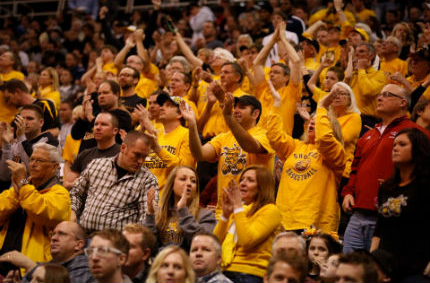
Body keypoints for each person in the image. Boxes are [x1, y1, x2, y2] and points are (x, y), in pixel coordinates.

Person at [341, 85, 430, 253]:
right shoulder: (368, 134)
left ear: (403, 102)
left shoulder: (417, 133)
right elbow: (355, 168)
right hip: (357, 215)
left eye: (387, 95)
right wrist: (348, 192)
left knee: (382, 273)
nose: (380, 98)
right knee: (350, 273)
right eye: (379, 94)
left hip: (394, 217)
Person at [182, 92, 275, 219]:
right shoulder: (223, 137)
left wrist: (228, 117)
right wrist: (192, 125)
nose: (236, 110)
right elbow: (200, 154)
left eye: (242, 107)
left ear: (255, 114)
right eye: (235, 107)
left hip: (253, 212)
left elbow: (249, 146)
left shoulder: (265, 135)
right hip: (223, 212)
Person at [266, 87, 346, 232]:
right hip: (284, 221)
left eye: (318, 122)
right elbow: (274, 136)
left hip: (315, 224)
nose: (312, 124)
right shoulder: (295, 146)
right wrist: (277, 104)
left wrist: (321, 107)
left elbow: (324, 139)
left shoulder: (335, 154)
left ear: (330, 127)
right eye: (311, 122)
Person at [0, 143, 71, 276]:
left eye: (40, 160)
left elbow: (38, 211)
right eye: (32, 159)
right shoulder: (22, 188)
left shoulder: (60, 193)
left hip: (31, 268)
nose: (33, 164)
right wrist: (16, 194)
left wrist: (22, 185)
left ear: (55, 167)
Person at [370, 128, 430, 281]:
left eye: (402, 144)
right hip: (386, 268)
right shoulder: (386, 187)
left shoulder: (425, 186)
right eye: (394, 145)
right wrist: (372, 260)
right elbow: (379, 227)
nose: (395, 148)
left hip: (416, 268)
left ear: (418, 150)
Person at [70, 131, 158, 233]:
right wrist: (72, 211)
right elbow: (76, 193)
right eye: (137, 155)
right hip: (85, 234)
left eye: (144, 157)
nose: (140, 161)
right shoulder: (97, 165)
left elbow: (145, 221)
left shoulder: (148, 180)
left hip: (117, 242)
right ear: (123, 148)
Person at [214, 165, 282, 283]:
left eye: (250, 180)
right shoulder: (239, 211)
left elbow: (247, 241)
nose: (243, 183)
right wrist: (225, 215)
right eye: (242, 179)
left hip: (250, 274)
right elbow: (213, 244)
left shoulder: (271, 210)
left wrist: (237, 208)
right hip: (224, 271)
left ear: (262, 187)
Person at [145, 166, 216, 251]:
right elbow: (150, 248)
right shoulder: (160, 214)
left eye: (193, 181)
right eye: (183, 179)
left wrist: (183, 212)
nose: (189, 183)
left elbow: (203, 245)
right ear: (171, 185)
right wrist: (150, 214)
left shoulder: (206, 215)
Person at [0, 221, 93, 283]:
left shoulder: (87, 266)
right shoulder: (44, 265)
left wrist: (30, 266)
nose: (54, 238)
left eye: (62, 234)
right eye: (53, 234)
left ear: (78, 245)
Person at [141, 93, 195, 191]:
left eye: (169, 106)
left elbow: (184, 169)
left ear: (180, 114)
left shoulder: (187, 135)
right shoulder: (156, 135)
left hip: (168, 200)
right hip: (145, 197)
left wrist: (158, 149)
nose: (161, 108)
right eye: (162, 105)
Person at [0, 104, 59, 181]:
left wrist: (21, 136)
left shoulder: (50, 141)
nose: (25, 122)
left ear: (41, 122)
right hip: (15, 190)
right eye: (22, 119)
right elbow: (4, 176)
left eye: (30, 119)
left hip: (40, 191)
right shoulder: (17, 142)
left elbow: (34, 172)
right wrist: (6, 145)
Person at [63, 112, 120, 189]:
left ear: (115, 131)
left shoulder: (121, 154)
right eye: (96, 124)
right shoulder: (85, 154)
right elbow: (66, 184)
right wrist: (80, 183)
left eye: (103, 124)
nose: (98, 128)